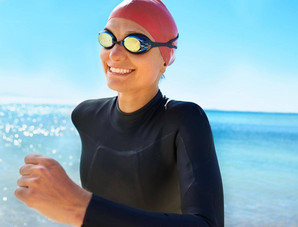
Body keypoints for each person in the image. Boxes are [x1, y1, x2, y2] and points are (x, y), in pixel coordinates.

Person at [15, 0, 224, 226]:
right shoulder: (86, 115)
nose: (114, 54)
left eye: (136, 43)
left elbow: (207, 223)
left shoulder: (184, 120)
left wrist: (79, 208)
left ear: (165, 59)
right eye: (108, 39)